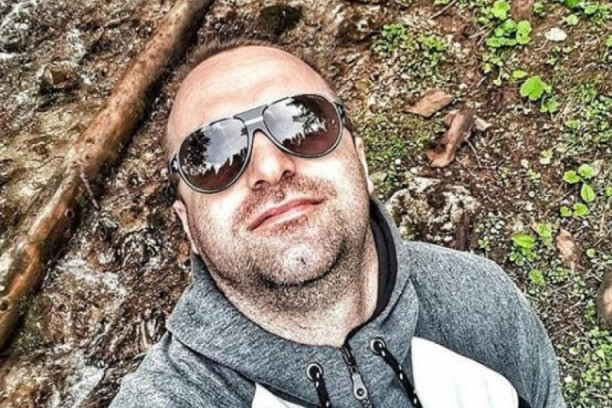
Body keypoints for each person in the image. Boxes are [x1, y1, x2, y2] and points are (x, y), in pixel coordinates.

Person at [109, 37, 566, 408]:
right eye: (213, 155)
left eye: (303, 123)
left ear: (362, 166)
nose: (269, 167)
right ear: (187, 225)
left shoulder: (481, 300)